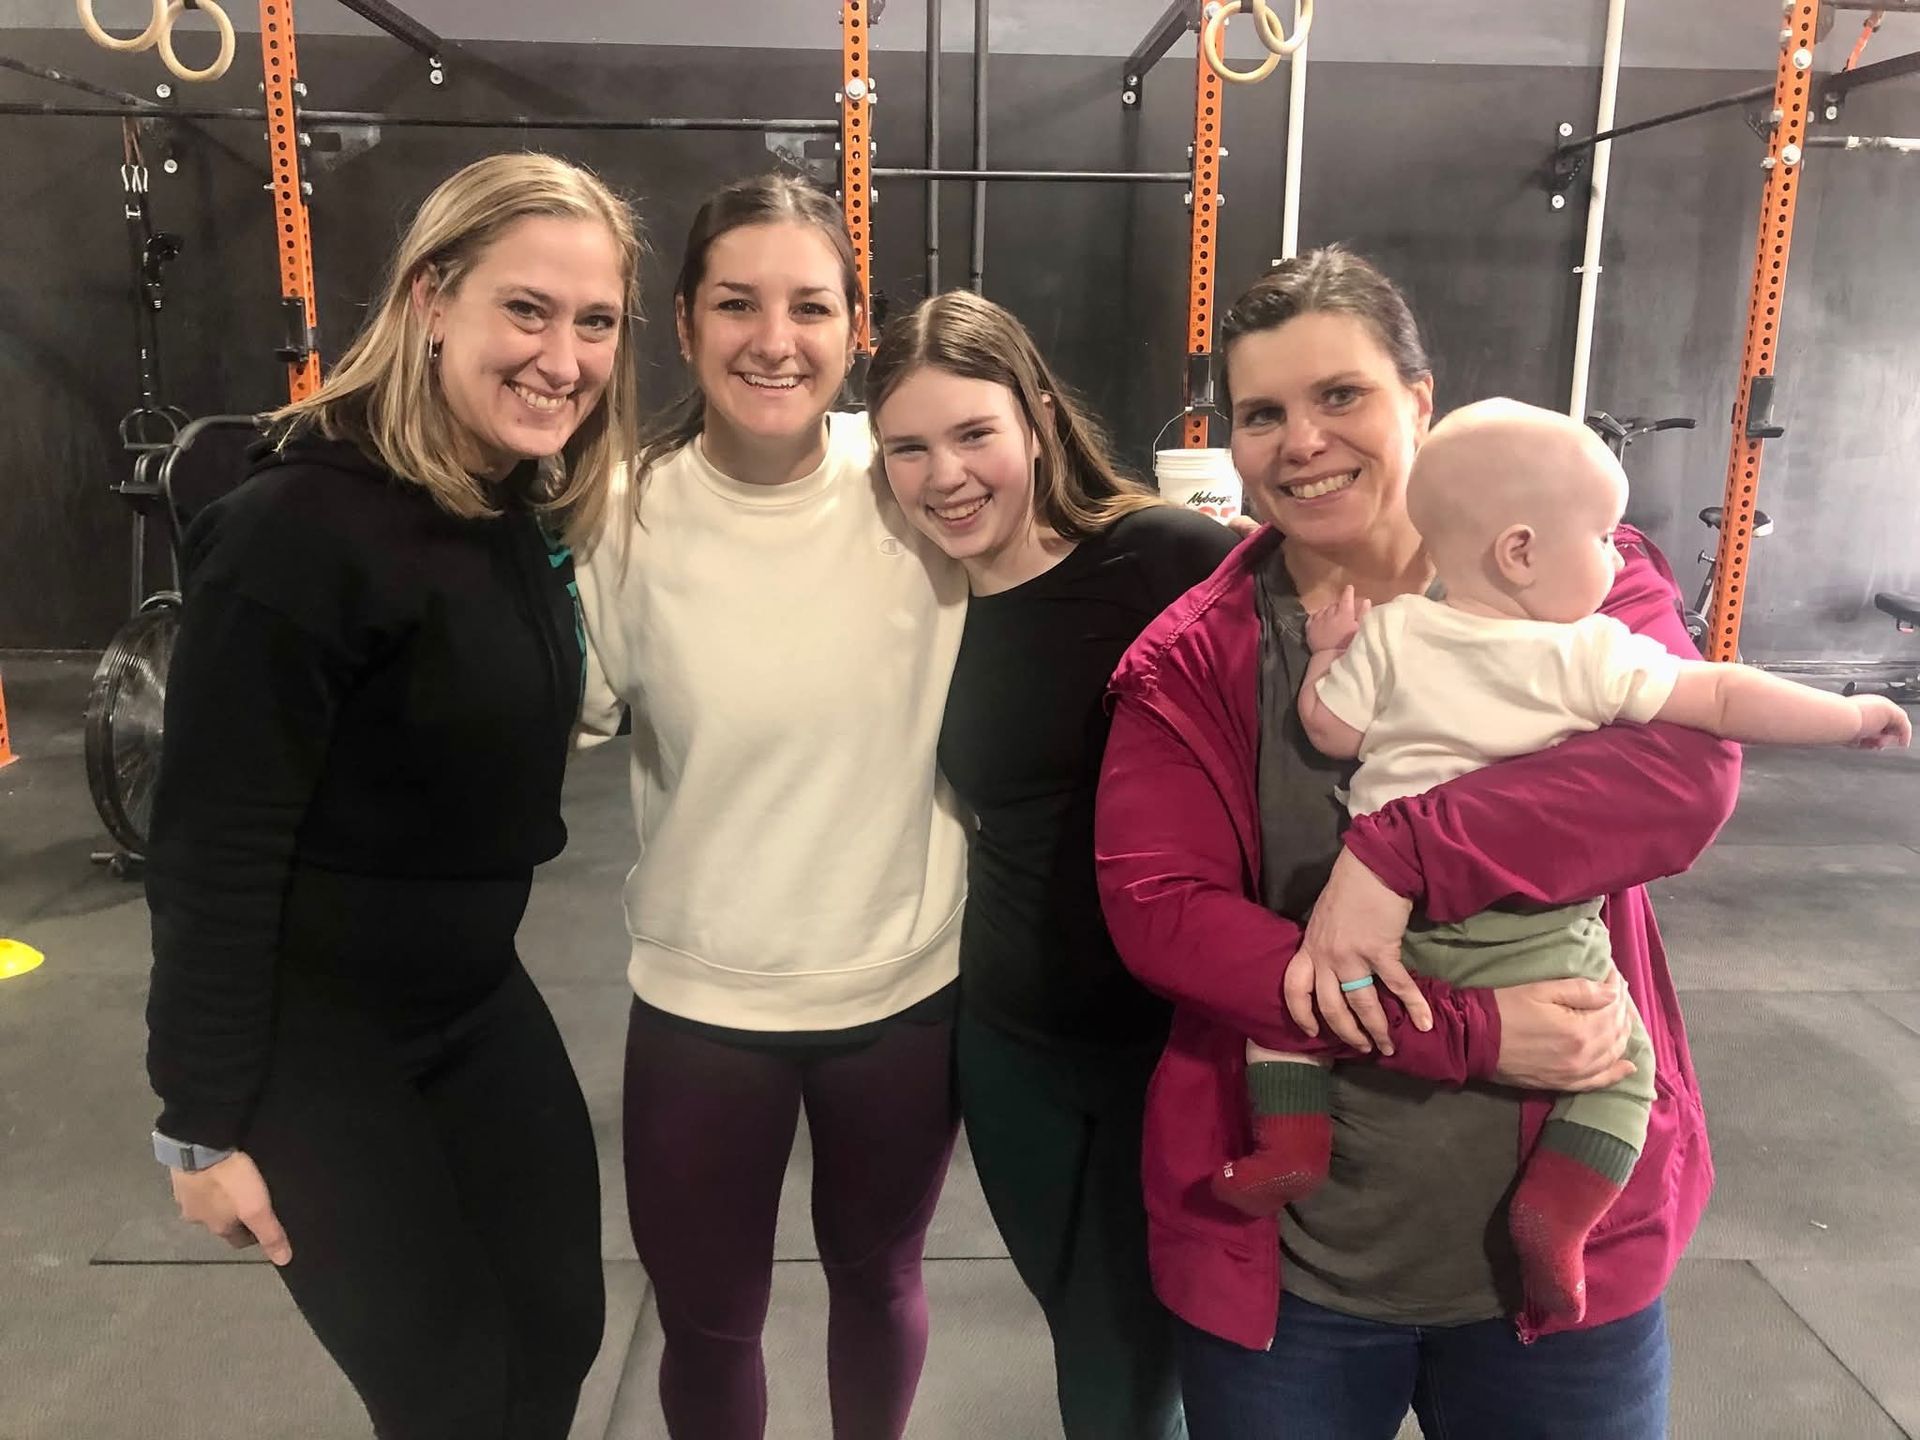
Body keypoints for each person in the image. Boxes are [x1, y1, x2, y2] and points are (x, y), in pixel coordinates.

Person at [1094, 247, 1745, 1440]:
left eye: (1339, 396)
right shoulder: (1190, 662)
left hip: (1563, 1251)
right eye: (1262, 414)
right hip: (1297, 1271)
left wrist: (1399, 856)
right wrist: (1468, 1031)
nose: (1302, 441)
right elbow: (1166, 915)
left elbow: (1680, 781)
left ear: (1420, 403)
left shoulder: (1580, 581)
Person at [144, 152, 644, 1439]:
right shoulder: (298, 529)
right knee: (453, 1399)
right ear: (432, 299)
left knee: (559, 1340)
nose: (564, 356)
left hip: (472, 1004)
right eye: (525, 309)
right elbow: (212, 845)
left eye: (595, 322)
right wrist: (197, 1119)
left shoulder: (503, 498)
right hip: (317, 1042)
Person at [1221, 397, 1910, 1324]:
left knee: (1298, 1005)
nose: (1617, 557)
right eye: (1602, 537)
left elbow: (1330, 729)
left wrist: (1325, 655)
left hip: (1389, 931)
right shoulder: (1587, 652)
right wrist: (1849, 715)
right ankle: (1558, 1212)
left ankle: (1290, 1146)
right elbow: (1721, 697)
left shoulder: (1394, 631)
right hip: (1532, 927)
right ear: (1520, 552)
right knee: (1622, 1063)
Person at [572, 174, 967, 1440]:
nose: (773, 339)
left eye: (810, 306)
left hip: (901, 992)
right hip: (703, 1003)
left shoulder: (920, 484)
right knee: (707, 1321)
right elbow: (533, 711)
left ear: (858, 327)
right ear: (682, 323)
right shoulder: (620, 518)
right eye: (737, 304)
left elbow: (1107, 552)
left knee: (880, 1276)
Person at [866, 289, 1238, 1439]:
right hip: (1012, 1048)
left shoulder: (1162, 557)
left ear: (1034, 417)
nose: (945, 475)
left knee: (1132, 1350)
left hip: (1165, 1045)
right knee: (1086, 1324)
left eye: (973, 432)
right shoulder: (921, 601)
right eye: (908, 449)